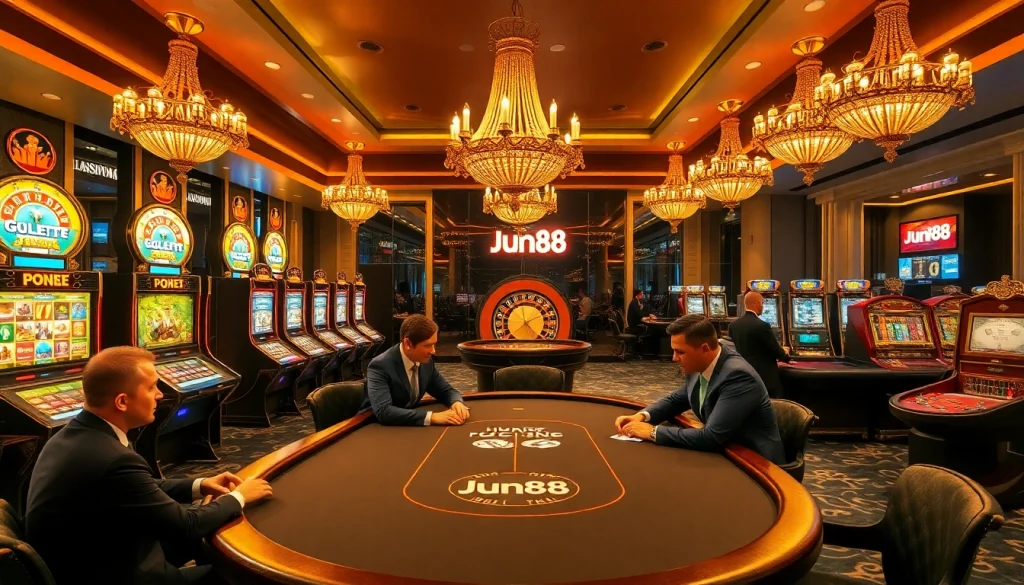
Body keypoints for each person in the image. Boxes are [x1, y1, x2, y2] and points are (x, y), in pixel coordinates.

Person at [25, 346, 273, 585]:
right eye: (152, 386)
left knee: (209, 544)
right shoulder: (112, 458)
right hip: (109, 573)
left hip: (98, 549)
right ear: (122, 402)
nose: (160, 394)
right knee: (247, 577)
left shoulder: (80, 432)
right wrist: (239, 497)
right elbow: (187, 525)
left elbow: (139, 487)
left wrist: (200, 485)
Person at [614, 314, 785, 464]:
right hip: (728, 449)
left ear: (704, 348)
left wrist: (653, 432)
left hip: (755, 463)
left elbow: (711, 437)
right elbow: (678, 399)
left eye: (680, 352)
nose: (674, 358)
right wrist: (642, 415)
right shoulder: (699, 364)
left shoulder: (738, 376)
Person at [361, 314, 470, 426]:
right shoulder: (380, 366)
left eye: (434, 345)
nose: (433, 351)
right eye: (428, 345)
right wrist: (432, 417)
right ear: (408, 343)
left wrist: (456, 402)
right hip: (374, 427)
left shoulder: (426, 362)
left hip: (406, 424)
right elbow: (384, 412)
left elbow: (446, 391)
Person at [728, 291, 790, 399]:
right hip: (765, 379)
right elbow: (775, 350)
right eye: (762, 303)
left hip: (743, 376)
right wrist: (786, 354)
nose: (763, 306)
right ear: (757, 303)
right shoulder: (762, 326)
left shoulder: (733, 325)